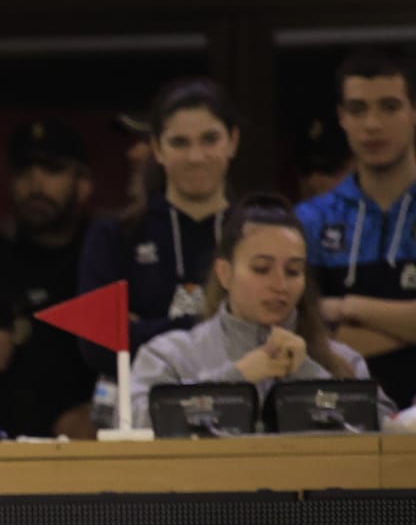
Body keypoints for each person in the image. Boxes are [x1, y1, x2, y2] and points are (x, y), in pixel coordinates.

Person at [127, 194, 389, 431]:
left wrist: (309, 377)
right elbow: (137, 422)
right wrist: (234, 381)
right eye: (262, 269)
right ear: (225, 274)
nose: (280, 285)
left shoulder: (342, 360)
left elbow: (389, 434)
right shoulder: (169, 355)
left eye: (293, 271)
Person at [77, 77, 239, 421]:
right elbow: (99, 346)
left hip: (243, 415)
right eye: (180, 142)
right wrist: (219, 326)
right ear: (158, 149)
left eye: (210, 139)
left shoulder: (259, 232)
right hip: (138, 419)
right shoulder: (114, 235)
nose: (196, 156)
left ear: (233, 141)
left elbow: (278, 334)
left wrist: (146, 328)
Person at [0, 118, 98, 438]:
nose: (36, 185)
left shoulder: (104, 266)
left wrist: (101, 413)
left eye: (53, 170)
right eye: (24, 172)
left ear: (83, 184)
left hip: (86, 460)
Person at [299, 47, 416, 410]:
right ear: (341, 117)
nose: (373, 125)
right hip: (341, 418)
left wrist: (347, 307)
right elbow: (303, 333)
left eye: (390, 107)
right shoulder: (309, 220)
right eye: (358, 109)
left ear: (414, 112)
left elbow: (332, 333)